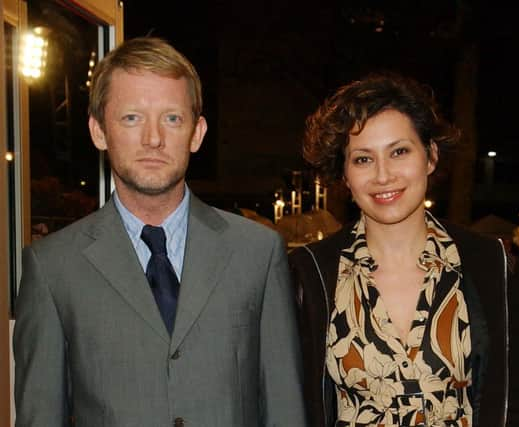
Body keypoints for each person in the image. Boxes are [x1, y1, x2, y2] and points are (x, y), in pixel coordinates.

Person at [13, 37, 306, 427]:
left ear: (197, 133)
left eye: (172, 118)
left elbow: (285, 409)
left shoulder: (257, 252)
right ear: (99, 131)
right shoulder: (52, 268)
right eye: (132, 118)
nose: (153, 138)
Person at [289, 73, 519, 427]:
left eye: (399, 151)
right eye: (363, 159)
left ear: (431, 156)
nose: (383, 175)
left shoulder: (491, 265)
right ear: (345, 174)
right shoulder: (310, 272)